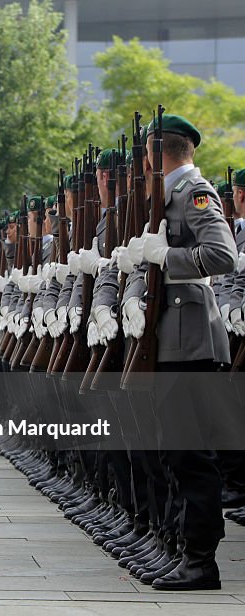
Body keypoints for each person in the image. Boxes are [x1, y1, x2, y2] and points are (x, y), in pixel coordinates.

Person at [119, 114, 236, 591]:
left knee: (191, 456)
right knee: (172, 453)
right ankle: (179, 549)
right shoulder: (168, 196)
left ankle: (201, 561)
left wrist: (167, 258)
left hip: (191, 344)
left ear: (157, 153)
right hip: (169, 343)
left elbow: (223, 256)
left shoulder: (193, 192)